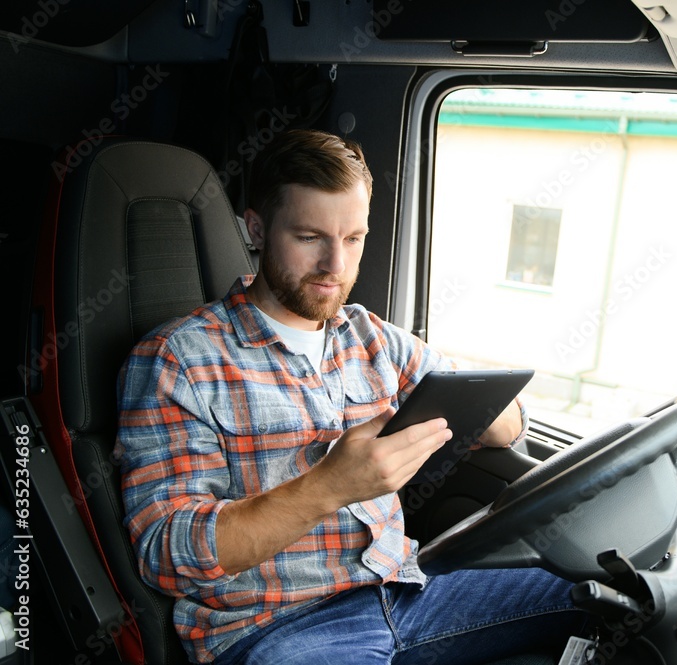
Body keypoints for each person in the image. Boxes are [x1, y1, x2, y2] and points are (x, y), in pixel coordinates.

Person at [115, 129, 584, 665]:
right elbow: (166, 555)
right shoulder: (179, 360)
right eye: (310, 237)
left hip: (408, 591)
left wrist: (492, 411)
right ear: (257, 229)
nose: (335, 265)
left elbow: (505, 423)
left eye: (354, 238)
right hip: (278, 628)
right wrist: (330, 486)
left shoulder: (371, 337)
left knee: (610, 589)